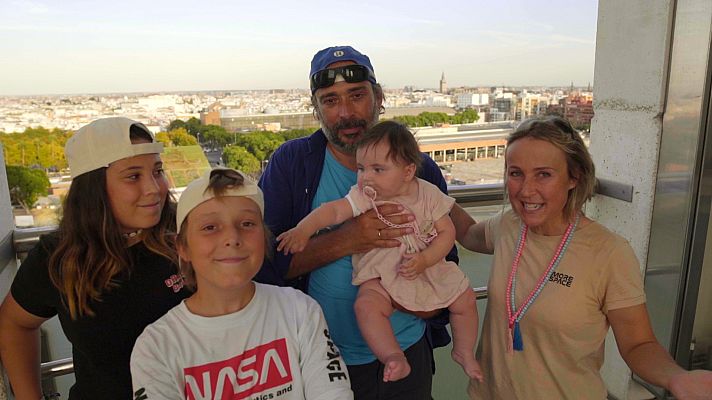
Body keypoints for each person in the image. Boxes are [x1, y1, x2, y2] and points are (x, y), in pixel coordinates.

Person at [454, 115, 712, 399]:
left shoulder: (609, 253)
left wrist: (675, 377)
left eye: (544, 174)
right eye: (516, 173)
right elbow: (467, 234)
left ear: (574, 177)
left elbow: (638, 344)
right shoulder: (508, 225)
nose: (526, 190)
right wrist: (427, 194)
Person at [257, 45, 456, 399]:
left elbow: (447, 253)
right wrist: (349, 238)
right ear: (316, 108)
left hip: (408, 346)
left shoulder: (418, 169)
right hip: (324, 359)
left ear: (379, 98)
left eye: (357, 96)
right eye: (330, 101)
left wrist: (420, 305)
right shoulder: (292, 164)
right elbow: (264, 263)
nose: (346, 113)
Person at [277, 121, 481, 383]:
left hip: (425, 268)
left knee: (464, 299)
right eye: (361, 169)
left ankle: (464, 351)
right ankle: (392, 356)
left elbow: (447, 233)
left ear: (407, 172)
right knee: (367, 305)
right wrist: (302, 230)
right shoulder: (365, 197)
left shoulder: (428, 193)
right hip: (381, 274)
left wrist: (426, 259)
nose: (365, 177)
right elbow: (334, 211)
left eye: (378, 169)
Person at [0, 117, 189, 399]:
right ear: (93, 188)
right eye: (133, 176)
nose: (154, 188)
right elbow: (15, 322)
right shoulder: (60, 257)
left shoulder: (189, 234)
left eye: (157, 171)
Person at [130, 167, 353, 400]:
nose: (232, 239)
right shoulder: (156, 347)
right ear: (183, 247)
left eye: (247, 224)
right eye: (210, 227)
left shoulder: (300, 311)